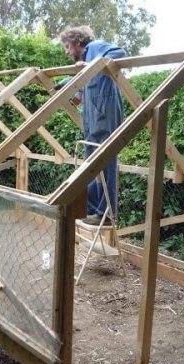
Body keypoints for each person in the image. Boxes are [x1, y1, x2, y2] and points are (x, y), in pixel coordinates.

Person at [59, 26, 126, 225]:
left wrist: (91, 65)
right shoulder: (84, 63)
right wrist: (72, 90)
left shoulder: (95, 47)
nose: (67, 51)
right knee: (90, 164)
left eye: (67, 46)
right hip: (91, 119)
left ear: (78, 42)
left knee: (106, 161)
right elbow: (85, 89)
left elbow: (119, 53)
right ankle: (89, 208)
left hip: (106, 114)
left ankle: (105, 214)